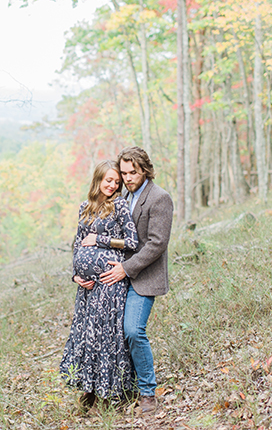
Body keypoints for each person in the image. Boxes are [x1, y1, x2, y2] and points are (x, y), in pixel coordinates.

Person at [59, 159, 139, 411]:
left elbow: (132, 242)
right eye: (109, 180)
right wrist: (76, 275)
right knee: (87, 335)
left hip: (109, 283)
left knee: (106, 336)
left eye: (117, 182)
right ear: (98, 180)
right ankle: (89, 390)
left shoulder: (120, 206)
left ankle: (110, 393)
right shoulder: (85, 207)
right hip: (87, 288)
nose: (113, 185)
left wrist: (100, 239)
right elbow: (77, 243)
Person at [100, 146, 174, 414]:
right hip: (118, 277)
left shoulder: (159, 198)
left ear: (145, 170)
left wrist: (126, 268)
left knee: (133, 330)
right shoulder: (123, 196)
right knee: (115, 333)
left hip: (144, 277)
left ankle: (147, 393)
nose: (128, 177)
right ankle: (122, 387)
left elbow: (157, 244)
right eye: (124, 173)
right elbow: (125, 237)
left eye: (133, 172)